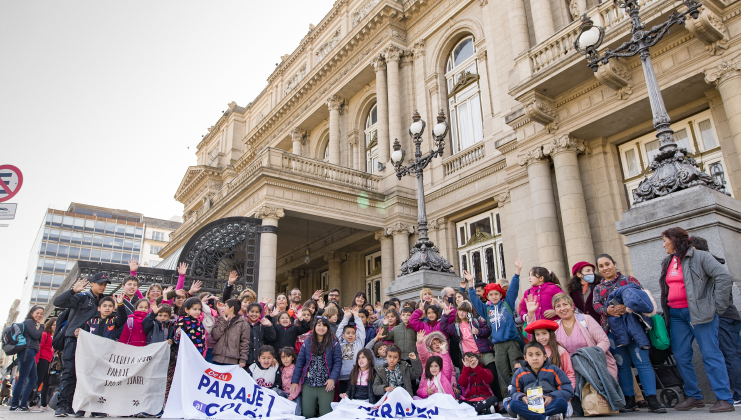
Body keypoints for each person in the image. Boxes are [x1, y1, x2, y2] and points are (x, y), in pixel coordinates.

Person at [657, 228, 735, 412]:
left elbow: (724, 277)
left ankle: (724, 398)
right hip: (676, 315)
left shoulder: (700, 256)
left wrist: (717, 306)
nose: (663, 245)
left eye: (665, 241)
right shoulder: (668, 261)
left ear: (675, 241)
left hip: (700, 314)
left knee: (710, 354)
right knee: (681, 355)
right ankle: (694, 396)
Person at [592, 254, 665, 413]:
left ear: (614, 264)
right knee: (622, 365)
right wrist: (607, 310)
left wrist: (627, 308)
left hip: (635, 329)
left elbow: (643, 297)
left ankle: (652, 399)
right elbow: (596, 305)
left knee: (643, 363)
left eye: (607, 264)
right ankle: (630, 400)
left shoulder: (630, 280)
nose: (605, 268)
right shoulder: (598, 288)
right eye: (601, 266)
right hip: (613, 332)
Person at [689, 236, 741, 406]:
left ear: (695, 250)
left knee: (729, 354)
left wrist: (717, 310)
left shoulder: (705, 266)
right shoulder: (715, 263)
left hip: (724, 316)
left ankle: (739, 394)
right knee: (735, 353)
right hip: (732, 315)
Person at [464, 257, 523, 394]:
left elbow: (513, 288)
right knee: (502, 371)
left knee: (518, 369)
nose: (494, 296)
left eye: (496, 294)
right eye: (491, 294)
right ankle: (506, 397)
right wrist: (471, 283)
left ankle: (521, 392)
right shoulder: (486, 310)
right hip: (498, 345)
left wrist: (517, 272)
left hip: (512, 342)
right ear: (487, 297)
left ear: (501, 295)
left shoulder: (507, 303)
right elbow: (474, 301)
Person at [53, 273, 109, 418]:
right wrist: (73, 291)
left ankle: (86, 407)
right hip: (74, 340)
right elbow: (58, 302)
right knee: (70, 373)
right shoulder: (82, 297)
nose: (103, 286)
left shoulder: (105, 301)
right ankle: (62, 407)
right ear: (92, 284)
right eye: (100, 283)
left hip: (93, 343)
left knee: (91, 375)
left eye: (105, 284)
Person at [550, 293, 617, 380]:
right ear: (555, 311)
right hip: (570, 371)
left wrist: (590, 356)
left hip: (594, 366)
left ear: (572, 306)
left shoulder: (585, 319)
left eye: (565, 304)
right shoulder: (554, 327)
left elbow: (604, 341)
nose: (562, 308)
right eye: (558, 306)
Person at [440, 300, 499, 398]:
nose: (461, 313)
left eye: (464, 311)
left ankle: (497, 398)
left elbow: (487, 330)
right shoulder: (456, 326)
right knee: (471, 378)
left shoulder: (475, 322)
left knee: (492, 373)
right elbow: (444, 327)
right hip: (469, 355)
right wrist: (445, 315)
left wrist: (479, 331)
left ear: (469, 312)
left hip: (482, 352)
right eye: (459, 310)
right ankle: (473, 397)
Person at [291, 318, 342, 418]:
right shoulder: (307, 342)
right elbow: (300, 362)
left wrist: (332, 379)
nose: (321, 328)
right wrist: (294, 381)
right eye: (318, 325)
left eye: (324, 325)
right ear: (314, 327)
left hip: (326, 384)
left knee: (325, 414)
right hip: (309, 383)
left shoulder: (334, 343)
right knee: (308, 414)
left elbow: (337, 363)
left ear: (328, 328)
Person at [509, 341, 573, 420]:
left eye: (538, 354)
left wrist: (551, 397)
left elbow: (568, 391)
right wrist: (522, 398)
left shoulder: (554, 370)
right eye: (530, 355)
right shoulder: (519, 373)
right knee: (513, 404)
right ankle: (546, 418)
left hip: (549, 405)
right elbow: (514, 393)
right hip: (529, 406)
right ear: (525, 358)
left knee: (561, 402)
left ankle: (531, 417)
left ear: (545, 356)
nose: (535, 358)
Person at [9, 306, 44, 413]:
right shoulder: (28, 322)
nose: (39, 315)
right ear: (32, 312)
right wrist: (42, 325)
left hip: (30, 353)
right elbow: (36, 335)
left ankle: (23, 405)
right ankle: (15, 405)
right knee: (22, 378)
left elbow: (38, 338)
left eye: (41, 313)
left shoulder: (33, 324)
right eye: (37, 313)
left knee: (33, 378)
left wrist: (39, 327)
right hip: (26, 352)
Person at [523, 319, 575, 386]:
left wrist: (569, 392)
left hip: (558, 390)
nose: (541, 337)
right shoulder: (530, 351)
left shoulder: (560, 351)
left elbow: (569, 373)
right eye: (537, 334)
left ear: (550, 334)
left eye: (544, 333)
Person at [210, 299, 251, 367]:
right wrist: (224, 322)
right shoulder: (220, 319)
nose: (223, 308)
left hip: (232, 361)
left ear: (232, 308)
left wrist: (243, 359)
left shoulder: (243, 323)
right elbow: (215, 336)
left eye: (225, 306)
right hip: (217, 359)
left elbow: (245, 342)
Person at [415, 330, 457, 396]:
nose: (437, 344)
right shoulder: (428, 355)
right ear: (430, 346)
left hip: (444, 383)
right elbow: (422, 353)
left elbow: (451, 371)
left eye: (438, 342)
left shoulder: (446, 356)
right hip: (428, 381)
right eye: (433, 343)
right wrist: (420, 343)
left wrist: (453, 384)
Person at [337, 307, 366, 395]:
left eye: (353, 333)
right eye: (348, 333)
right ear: (343, 335)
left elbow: (361, 331)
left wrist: (356, 316)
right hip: (342, 378)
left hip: (355, 377)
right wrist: (346, 317)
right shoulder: (339, 344)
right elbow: (339, 330)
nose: (350, 335)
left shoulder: (359, 343)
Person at [32, 317, 55, 412]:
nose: (55, 326)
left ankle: (44, 404)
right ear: (49, 325)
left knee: (46, 383)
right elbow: (39, 347)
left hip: (49, 361)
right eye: (53, 325)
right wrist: (36, 361)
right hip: (42, 359)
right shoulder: (45, 334)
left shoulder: (54, 336)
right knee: (39, 381)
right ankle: (32, 403)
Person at [278, 347, 301, 415]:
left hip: (295, 395)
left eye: (288, 356)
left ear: (293, 357)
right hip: (284, 394)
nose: (285, 359)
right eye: (283, 357)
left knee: (296, 411)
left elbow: (299, 385)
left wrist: (291, 397)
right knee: (274, 390)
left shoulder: (295, 368)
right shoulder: (281, 368)